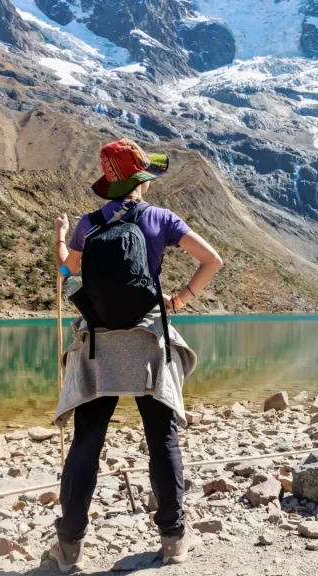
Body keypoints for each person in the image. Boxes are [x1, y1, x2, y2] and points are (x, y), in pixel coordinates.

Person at [49, 138, 223, 572]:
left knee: (87, 441)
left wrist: (58, 242)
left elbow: (67, 274)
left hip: (98, 346)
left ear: (109, 184)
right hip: (148, 340)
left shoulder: (87, 224)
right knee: (161, 440)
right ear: (141, 180)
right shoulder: (161, 218)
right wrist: (179, 300)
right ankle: (173, 540)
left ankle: (69, 548)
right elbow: (213, 260)